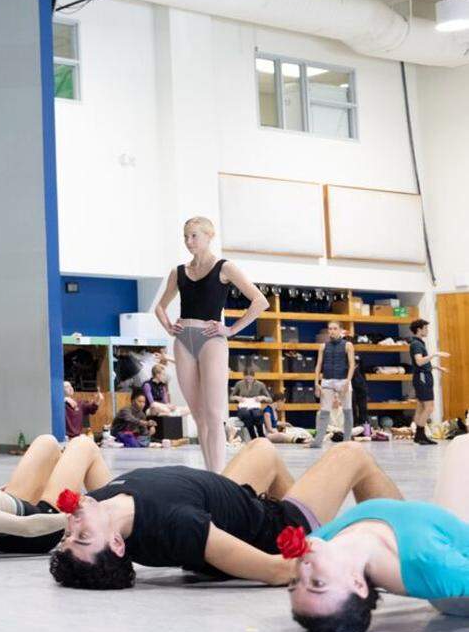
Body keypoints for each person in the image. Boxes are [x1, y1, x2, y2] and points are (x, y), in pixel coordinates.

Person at [48, 437, 403, 590]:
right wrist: (325, 556)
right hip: (275, 528)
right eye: (82, 537)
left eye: (67, 535)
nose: (73, 524)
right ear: (116, 542)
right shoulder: (178, 525)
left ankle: (311, 506)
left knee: (262, 449)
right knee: (352, 454)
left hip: (224, 497)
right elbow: (279, 571)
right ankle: (415, 536)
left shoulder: (101, 500)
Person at [288, 434, 469, 632]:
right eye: (317, 583)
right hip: (458, 596)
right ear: (356, 583)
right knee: (462, 447)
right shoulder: (431, 563)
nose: (303, 570)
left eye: (294, 582)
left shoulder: (326, 539)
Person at [155, 216, 268, 472]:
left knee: (215, 416)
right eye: (185, 236)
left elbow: (260, 301)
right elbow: (160, 307)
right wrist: (169, 326)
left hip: (212, 341)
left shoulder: (225, 267)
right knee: (199, 416)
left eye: (194, 235)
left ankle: (218, 479)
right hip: (183, 341)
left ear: (209, 236)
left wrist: (230, 329)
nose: (189, 241)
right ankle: (210, 475)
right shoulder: (179, 272)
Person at [311, 321, 356, 448]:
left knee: (347, 410)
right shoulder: (323, 346)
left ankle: (347, 440)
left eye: (335, 328)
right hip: (327, 380)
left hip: (343, 380)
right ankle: (317, 441)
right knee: (324, 411)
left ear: (340, 330)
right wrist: (316, 383)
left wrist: (348, 381)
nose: (332, 331)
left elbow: (352, 364)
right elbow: (318, 365)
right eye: (330, 329)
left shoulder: (348, 345)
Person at [408, 319, 448, 446]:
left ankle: (418, 436)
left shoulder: (418, 343)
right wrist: (434, 354)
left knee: (420, 407)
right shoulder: (416, 344)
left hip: (422, 376)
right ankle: (420, 435)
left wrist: (436, 368)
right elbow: (419, 361)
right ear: (419, 329)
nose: (427, 330)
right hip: (422, 378)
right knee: (429, 407)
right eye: (425, 328)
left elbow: (420, 364)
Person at [229, 367, 272, 440]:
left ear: (253, 376)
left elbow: (270, 399)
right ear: (244, 376)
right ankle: (253, 436)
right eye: (246, 378)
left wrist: (262, 398)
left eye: (250, 378)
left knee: (256, 415)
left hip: (254, 406)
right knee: (246, 415)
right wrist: (237, 398)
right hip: (243, 407)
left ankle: (261, 434)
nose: (249, 380)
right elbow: (231, 397)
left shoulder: (260, 384)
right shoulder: (239, 384)